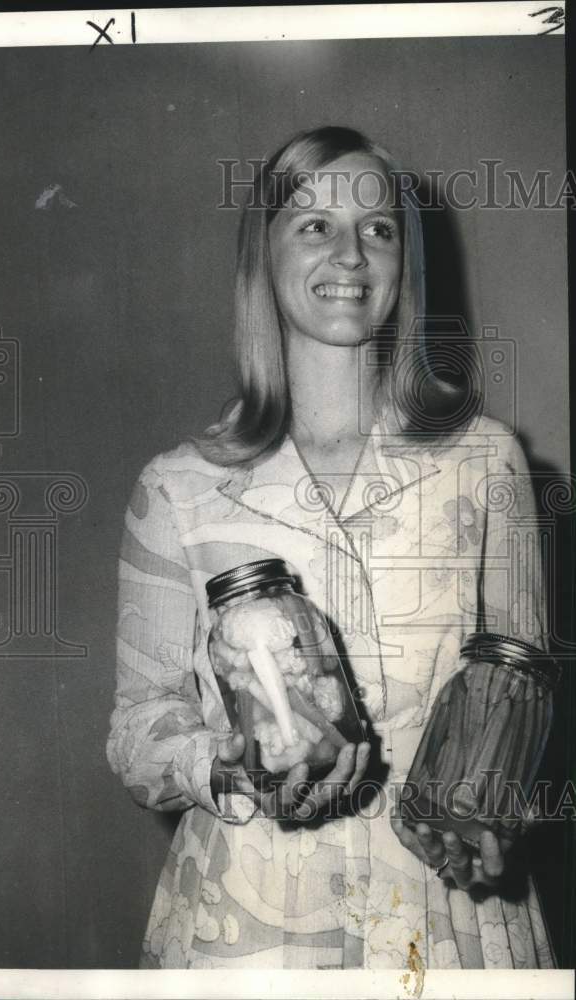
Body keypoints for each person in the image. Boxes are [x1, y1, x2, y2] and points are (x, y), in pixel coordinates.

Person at [107, 126, 555, 969]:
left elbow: (518, 692)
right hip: (246, 929)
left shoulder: (484, 459)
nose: (350, 253)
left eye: (378, 229)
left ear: (403, 264)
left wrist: (492, 809)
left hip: (447, 923)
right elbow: (137, 727)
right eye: (313, 224)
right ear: (263, 256)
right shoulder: (179, 484)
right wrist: (223, 763)